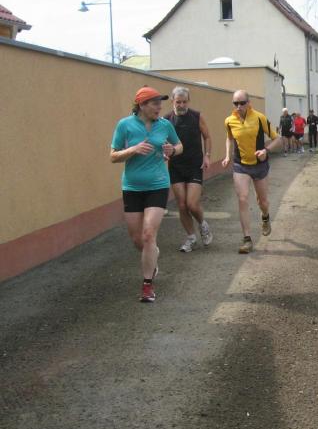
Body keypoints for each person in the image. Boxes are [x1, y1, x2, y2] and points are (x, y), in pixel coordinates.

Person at [110, 86, 183, 302]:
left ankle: (147, 285)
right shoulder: (125, 125)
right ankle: (152, 255)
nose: (159, 107)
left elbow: (179, 145)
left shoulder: (165, 124)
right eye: (155, 103)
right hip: (132, 187)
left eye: (160, 103)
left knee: (149, 234)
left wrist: (173, 150)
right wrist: (133, 150)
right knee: (137, 239)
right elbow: (113, 156)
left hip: (158, 185)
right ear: (142, 105)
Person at [222, 90, 282, 254]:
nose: (239, 106)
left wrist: (266, 151)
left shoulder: (259, 118)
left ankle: (265, 217)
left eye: (242, 103)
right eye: (235, 103)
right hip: (240, 165)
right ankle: (247, 239)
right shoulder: (229, 121)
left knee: (263, 202)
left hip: (259, 165)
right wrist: (227, 156)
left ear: (249, 103)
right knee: (242, 198)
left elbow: (278, 139)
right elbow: (229, 138)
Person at [166, 86, 213, 252]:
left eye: (184, 102)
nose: (181, 105)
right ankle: (191, 238)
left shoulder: (196, 116)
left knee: (192, 204)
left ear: (188, 101)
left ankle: (203, 224)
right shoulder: (166, 120)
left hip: (194, 164)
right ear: (172, 101)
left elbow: (207, 136)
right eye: (178, 102)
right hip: (175, 166)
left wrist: (207, 156)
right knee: (182, 205)